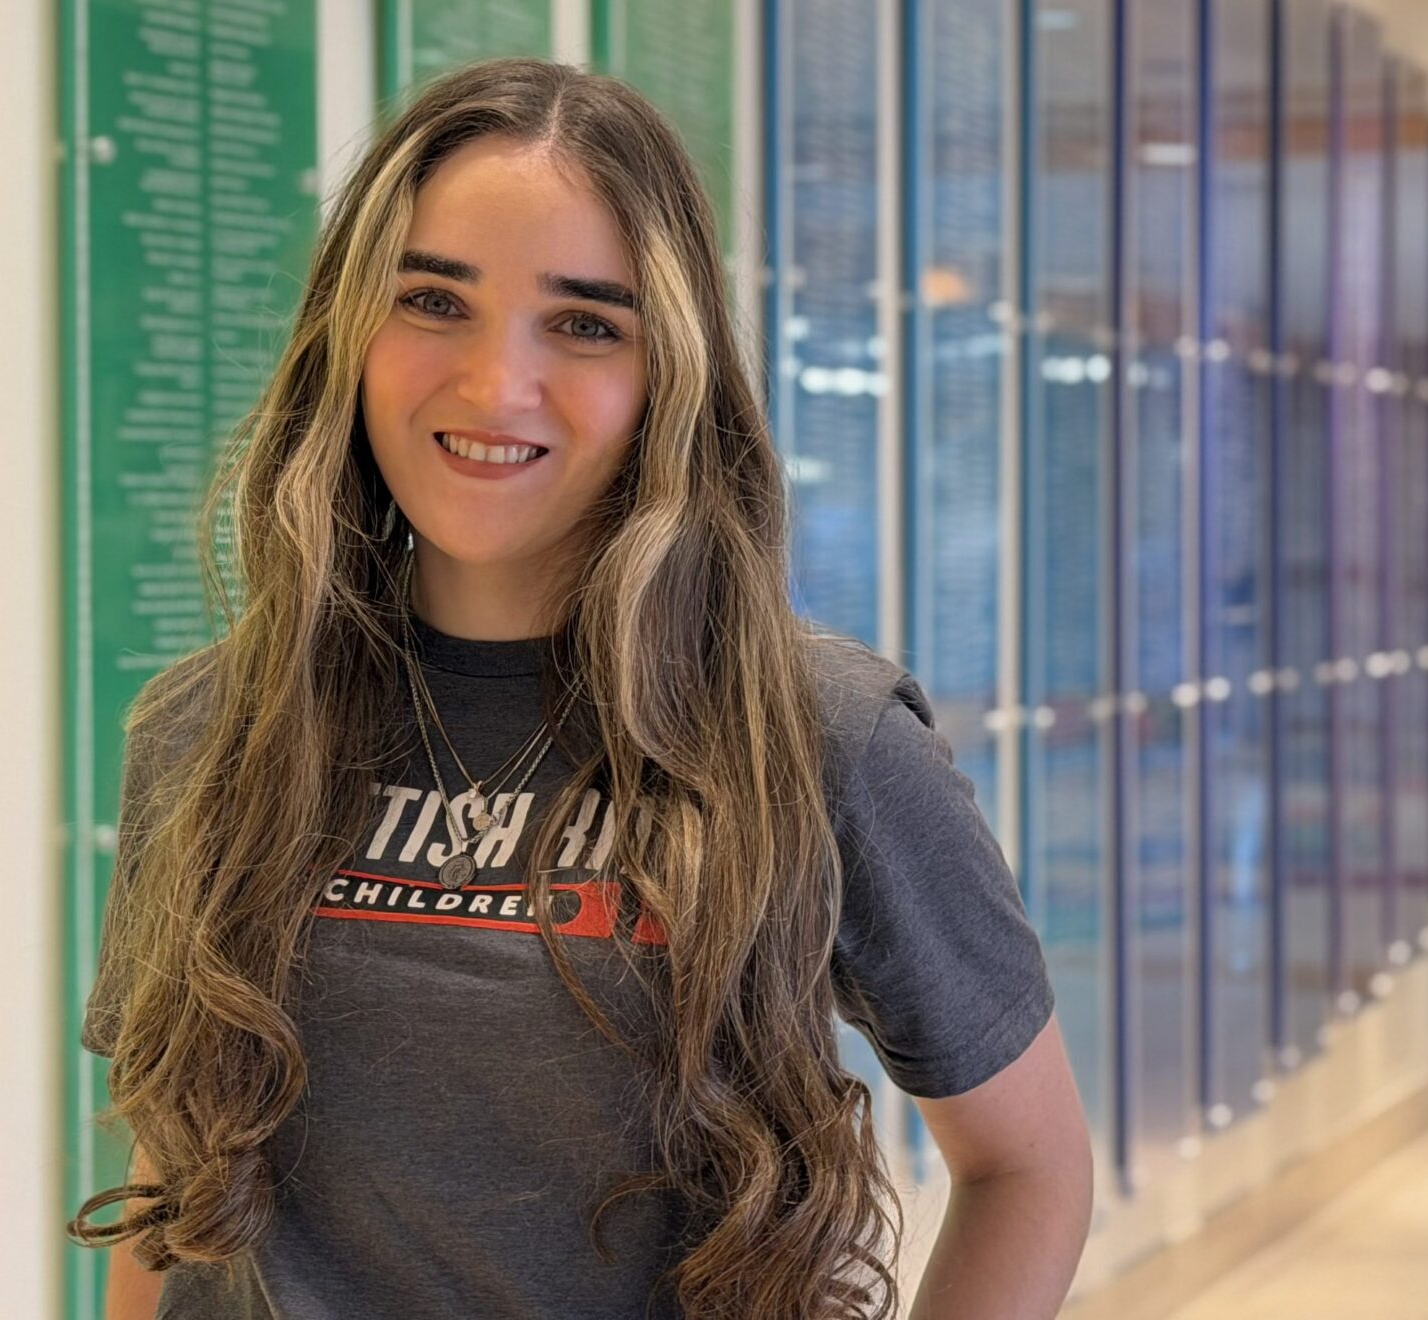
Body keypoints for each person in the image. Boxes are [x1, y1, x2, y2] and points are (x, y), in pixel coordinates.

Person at [74, 57, 1091, 1319]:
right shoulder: (209, 731)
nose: (495, 385)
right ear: (347, 330)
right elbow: (173, 1180)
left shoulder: (817, 736)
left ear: (667, 371)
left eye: (583, 323)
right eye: (432, 301)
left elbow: (1028, 1166)